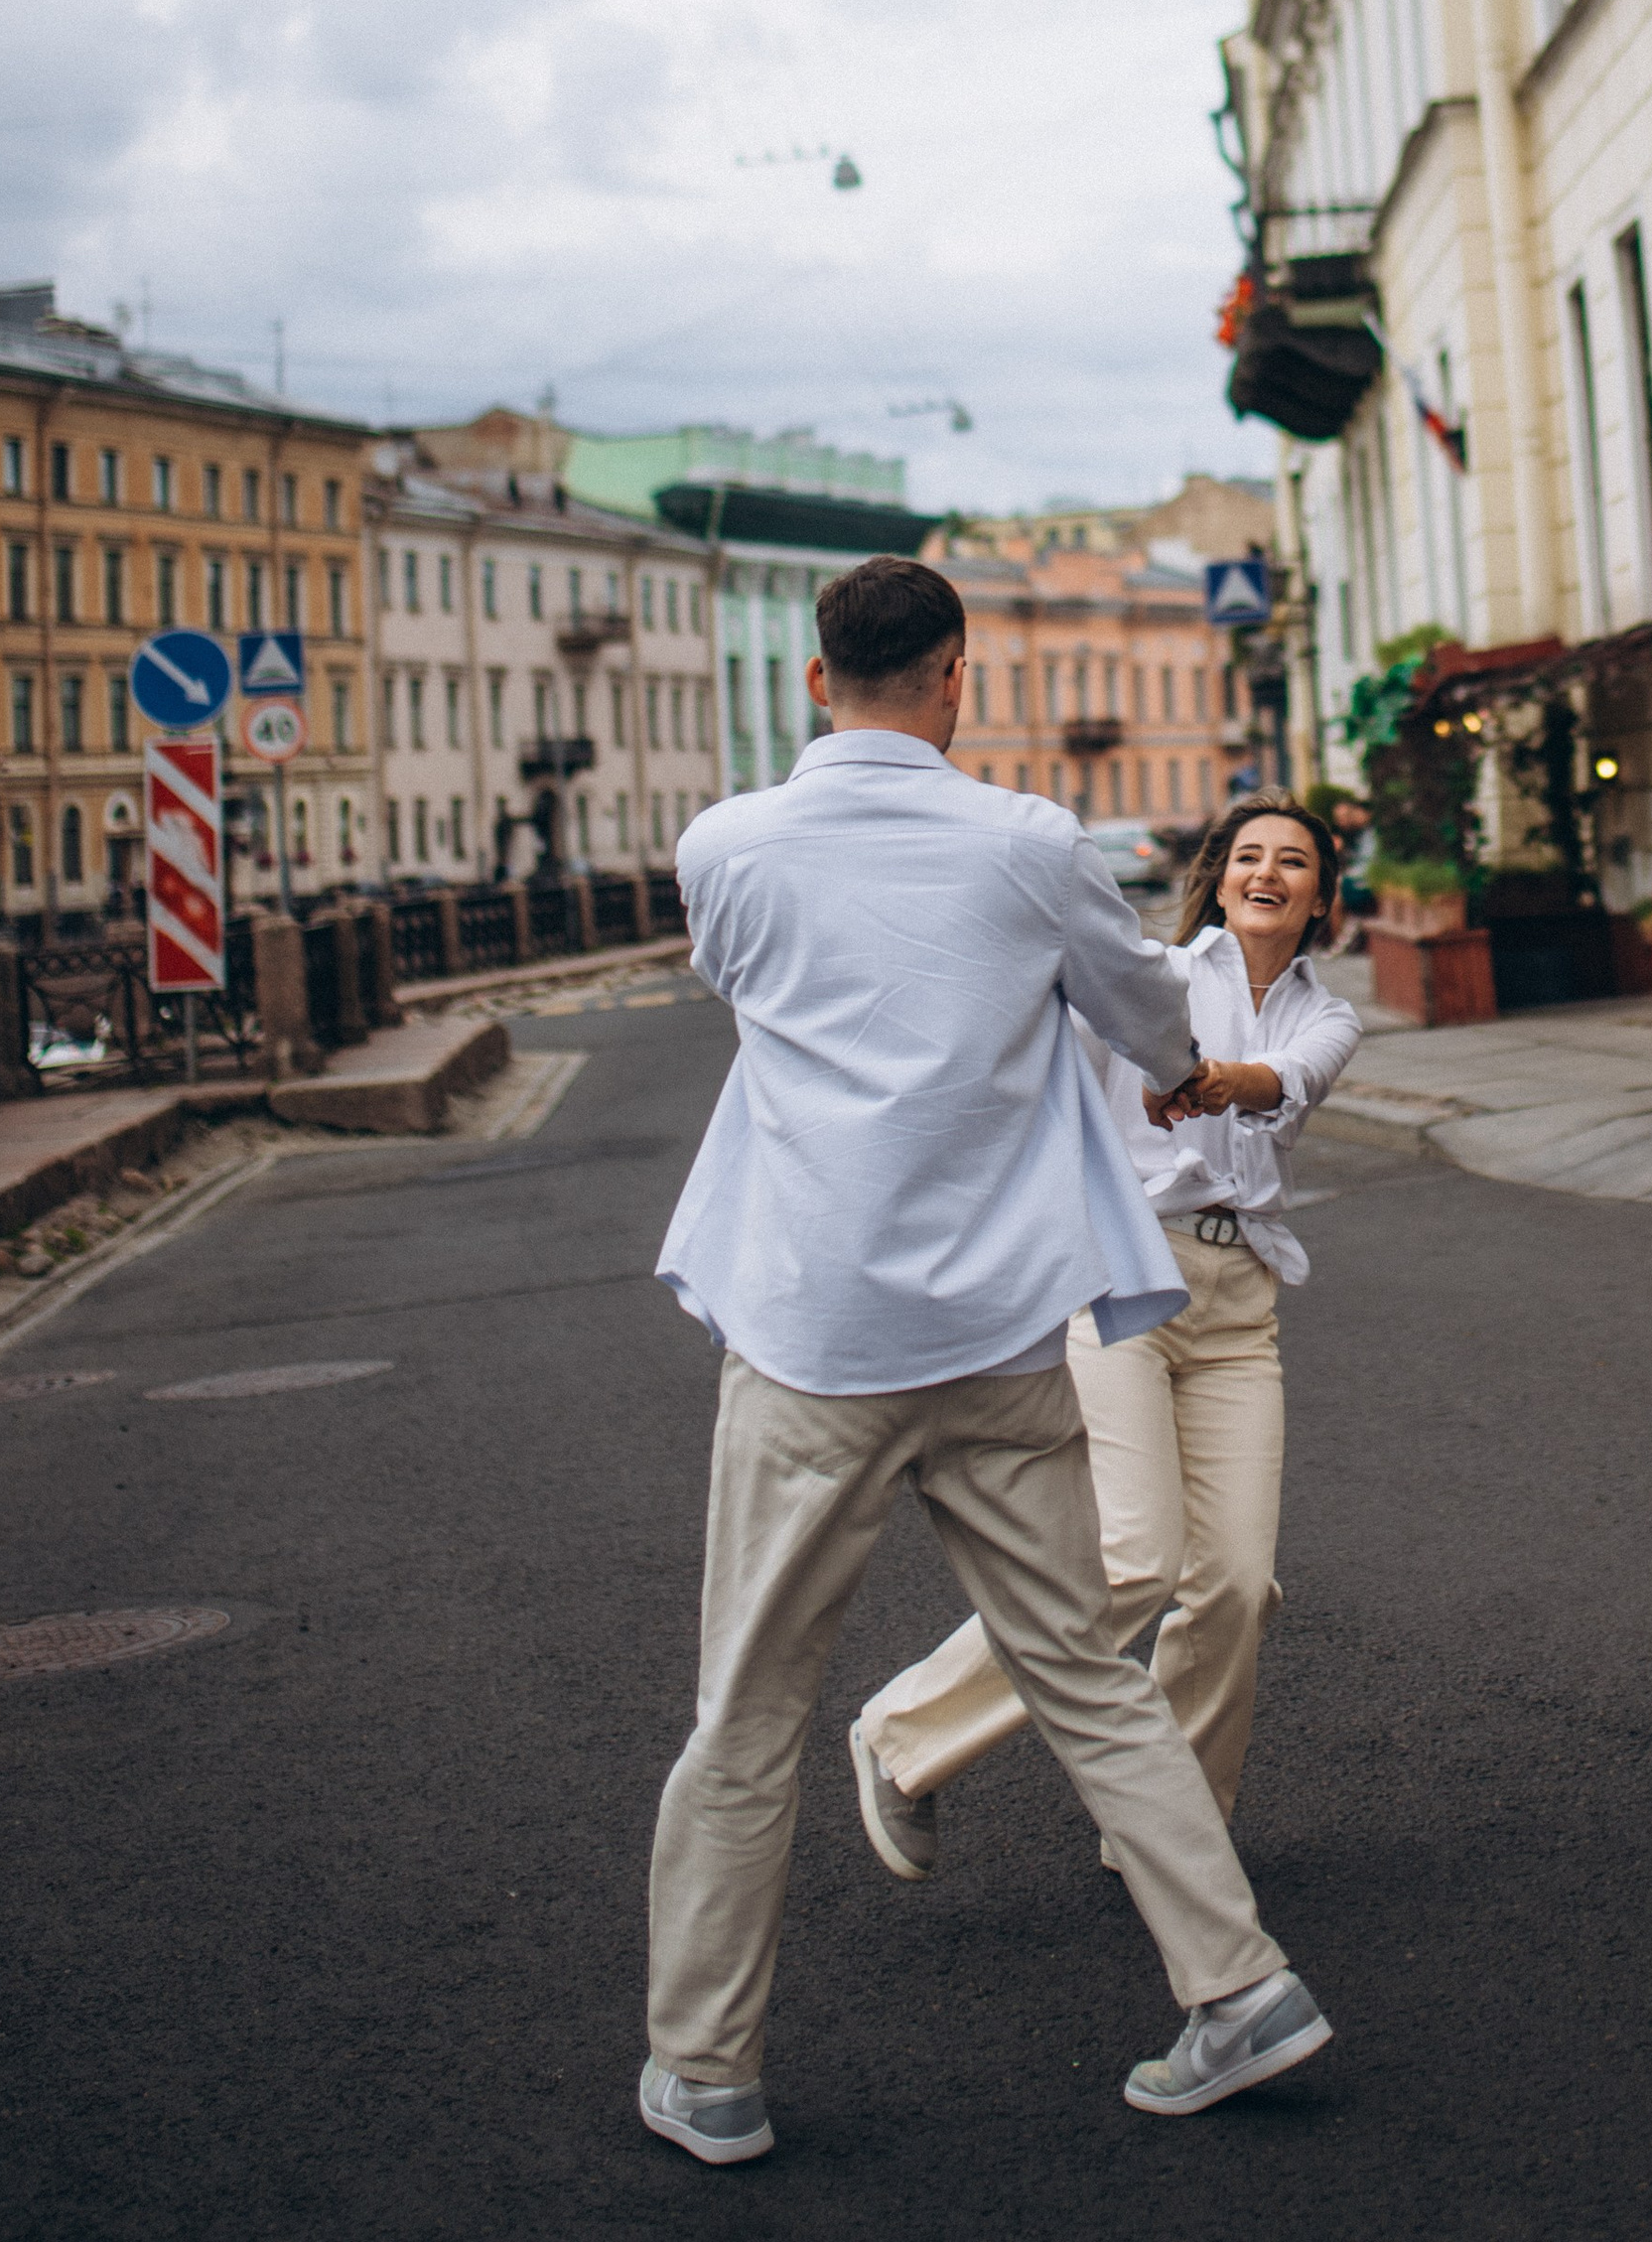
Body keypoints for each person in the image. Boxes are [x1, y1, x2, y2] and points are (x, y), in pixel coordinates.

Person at [637, 560, 1332, 2168]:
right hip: (1002, 1333)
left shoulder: (726, 847)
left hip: (812, 1339)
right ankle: (1238, 1990)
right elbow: (1150, 1024)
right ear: (956, 677)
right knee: (1090, 1675)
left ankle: (709, 2069)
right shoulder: (1029, 844)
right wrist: (1158, 1064)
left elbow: (743, 992)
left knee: (746, 1711)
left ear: (818, 683)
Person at [850, 787, 1363, 1862]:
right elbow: (1044, 1073)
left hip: (1240, 1307)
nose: (1268, 872)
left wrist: (1208, 1077)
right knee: (1135, 1556)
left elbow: (1287, 1079)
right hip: (1130, 1278)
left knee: (1231, 1584)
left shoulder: (1330, 1013)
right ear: (1218, 875)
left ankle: (1167, 1830)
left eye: (1295, 862)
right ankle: (901, 1732)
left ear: (1322, 896)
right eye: (1248, 856)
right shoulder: (1157, 980)